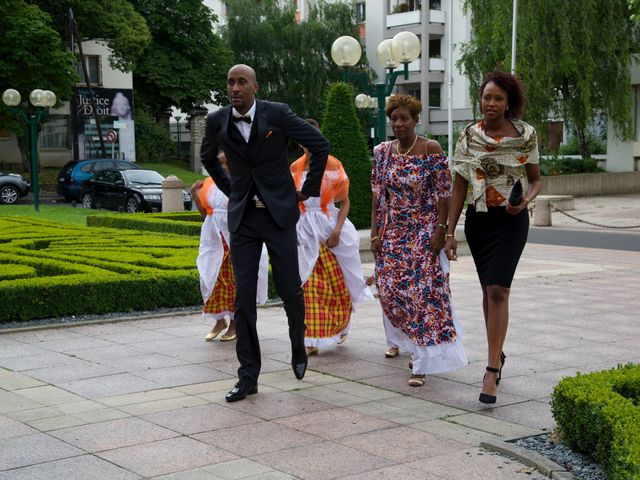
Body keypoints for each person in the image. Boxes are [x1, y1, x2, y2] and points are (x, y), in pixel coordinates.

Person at [200, 64, 330, 402]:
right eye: (230, 82)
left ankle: (298, 347)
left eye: (242, 82)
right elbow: (209, 159)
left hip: (278, 217)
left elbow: (319, 145)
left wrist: (307, 188)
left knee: (289, 290)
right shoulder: (218, 121)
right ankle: (248, 376)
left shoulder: (278, 114)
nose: (235, 88)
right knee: (243, 299)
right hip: (243, 219)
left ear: (255, 86)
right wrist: (232, 191)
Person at [444, 71, 542, 404]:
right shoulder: (468, 135)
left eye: (498, 98)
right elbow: (459, 185)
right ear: (480, 99)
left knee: (499, 289)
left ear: (509, 101)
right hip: (479, 221)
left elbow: (536, 181)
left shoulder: (526, 134)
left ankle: (490, 370)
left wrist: (524, 203)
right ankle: (496, 355)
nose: (491, 103)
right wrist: (450, 232)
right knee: (489, 291)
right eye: (487, 97)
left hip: (512, 222)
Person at [370, 95, 467, 387]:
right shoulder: (382, 152)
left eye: (404, 119)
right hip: (393, 233)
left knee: (420, 296)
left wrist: (441, 230)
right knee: (388, 291)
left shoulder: (430, 149)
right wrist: (376, 233)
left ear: (415, 120)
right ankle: (412, 340)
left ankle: (421, 364)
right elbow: (377, 196)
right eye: (394, 119)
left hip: (423, 232)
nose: (398, 124)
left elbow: (444, 195)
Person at [291, 119, 373, 356]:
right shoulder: (295, 168)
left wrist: (337, 231)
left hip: (328, 226)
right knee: (308, 283)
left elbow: (344, 201)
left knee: (335, 284)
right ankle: (311, 339)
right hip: (304, 229)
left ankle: (340, 322)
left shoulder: (334, 164)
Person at [192, 151, 269, 342]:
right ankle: (219, 320)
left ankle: (235, 323)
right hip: (213, 237)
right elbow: (206, 212)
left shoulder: (244, 182)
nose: (224, 167)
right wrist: (194, 193)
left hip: (235, 238)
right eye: (221, 163)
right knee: (209, 277)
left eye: (228, 163)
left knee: (235, 282)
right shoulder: (210, 182)